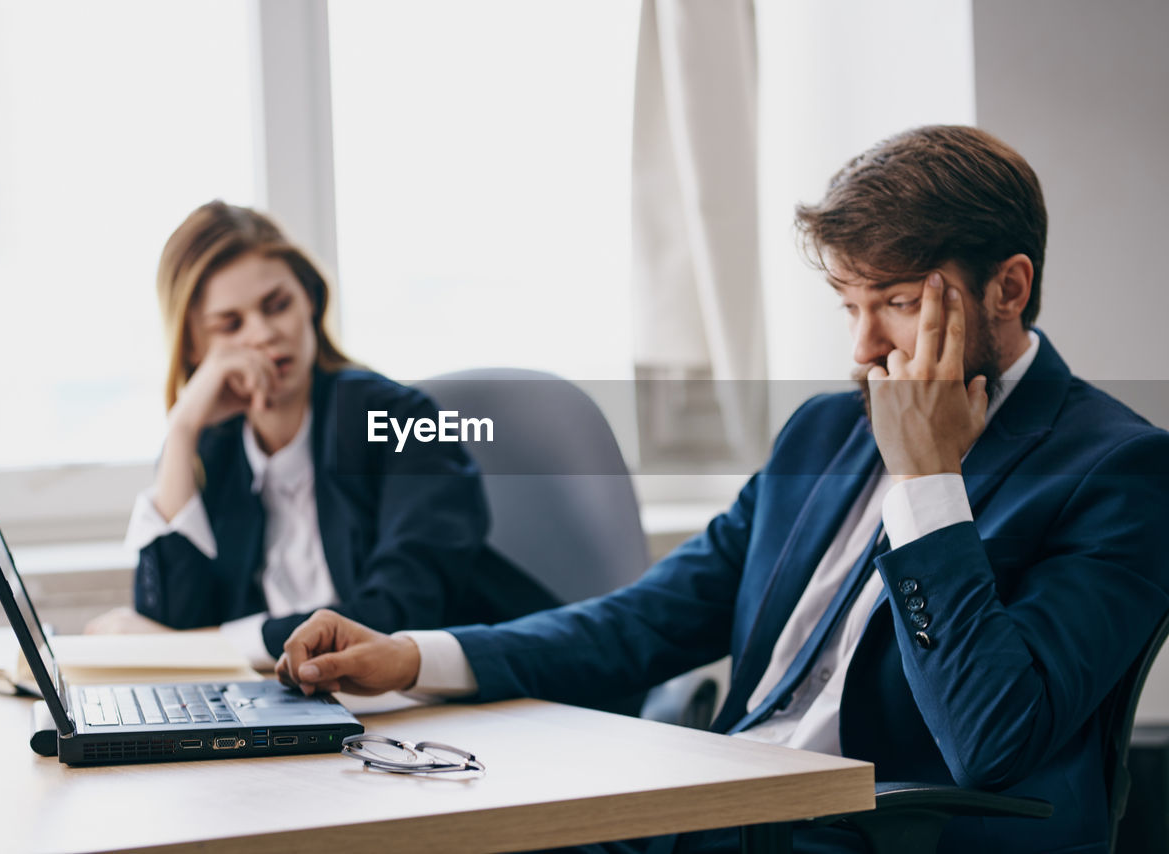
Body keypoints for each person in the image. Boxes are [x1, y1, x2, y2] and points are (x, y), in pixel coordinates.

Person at [272, 127, 1169, 853]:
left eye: (894, 301)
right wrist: (417, 658)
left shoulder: (1119, 473)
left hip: (877, 834)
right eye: (848, 306)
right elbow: (649, 618)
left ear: (1008, 288)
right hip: (721, 808)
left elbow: (993, 739)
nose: (862, 348)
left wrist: (929, 484)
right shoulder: (824, 430)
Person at [86, 201, 558, 665]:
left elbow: (395, 617)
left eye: (278, 305)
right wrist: (182, 429)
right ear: (193, 345)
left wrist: (193, 648)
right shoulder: (214, 449)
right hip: (314, 718)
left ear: (309, 300)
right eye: (230, 324)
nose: (264, 334)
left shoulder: (399, 418)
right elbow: (169, 628)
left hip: (476, 710)